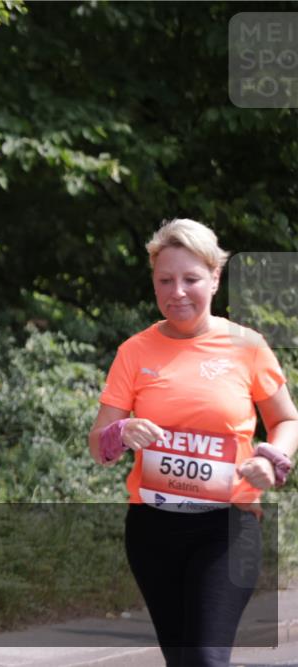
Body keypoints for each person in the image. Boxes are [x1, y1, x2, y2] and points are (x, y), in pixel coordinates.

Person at [88, 218, 297, 667]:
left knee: (205, 658)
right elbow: (98, 444)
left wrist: (273, 457)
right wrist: (120, 433)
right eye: (165, 280)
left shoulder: (248, 347)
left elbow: (286, 419)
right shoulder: (135, 352)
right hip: (152, 530)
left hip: (227, 527)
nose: (177, 292)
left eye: (190, 279)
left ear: (215, 278)